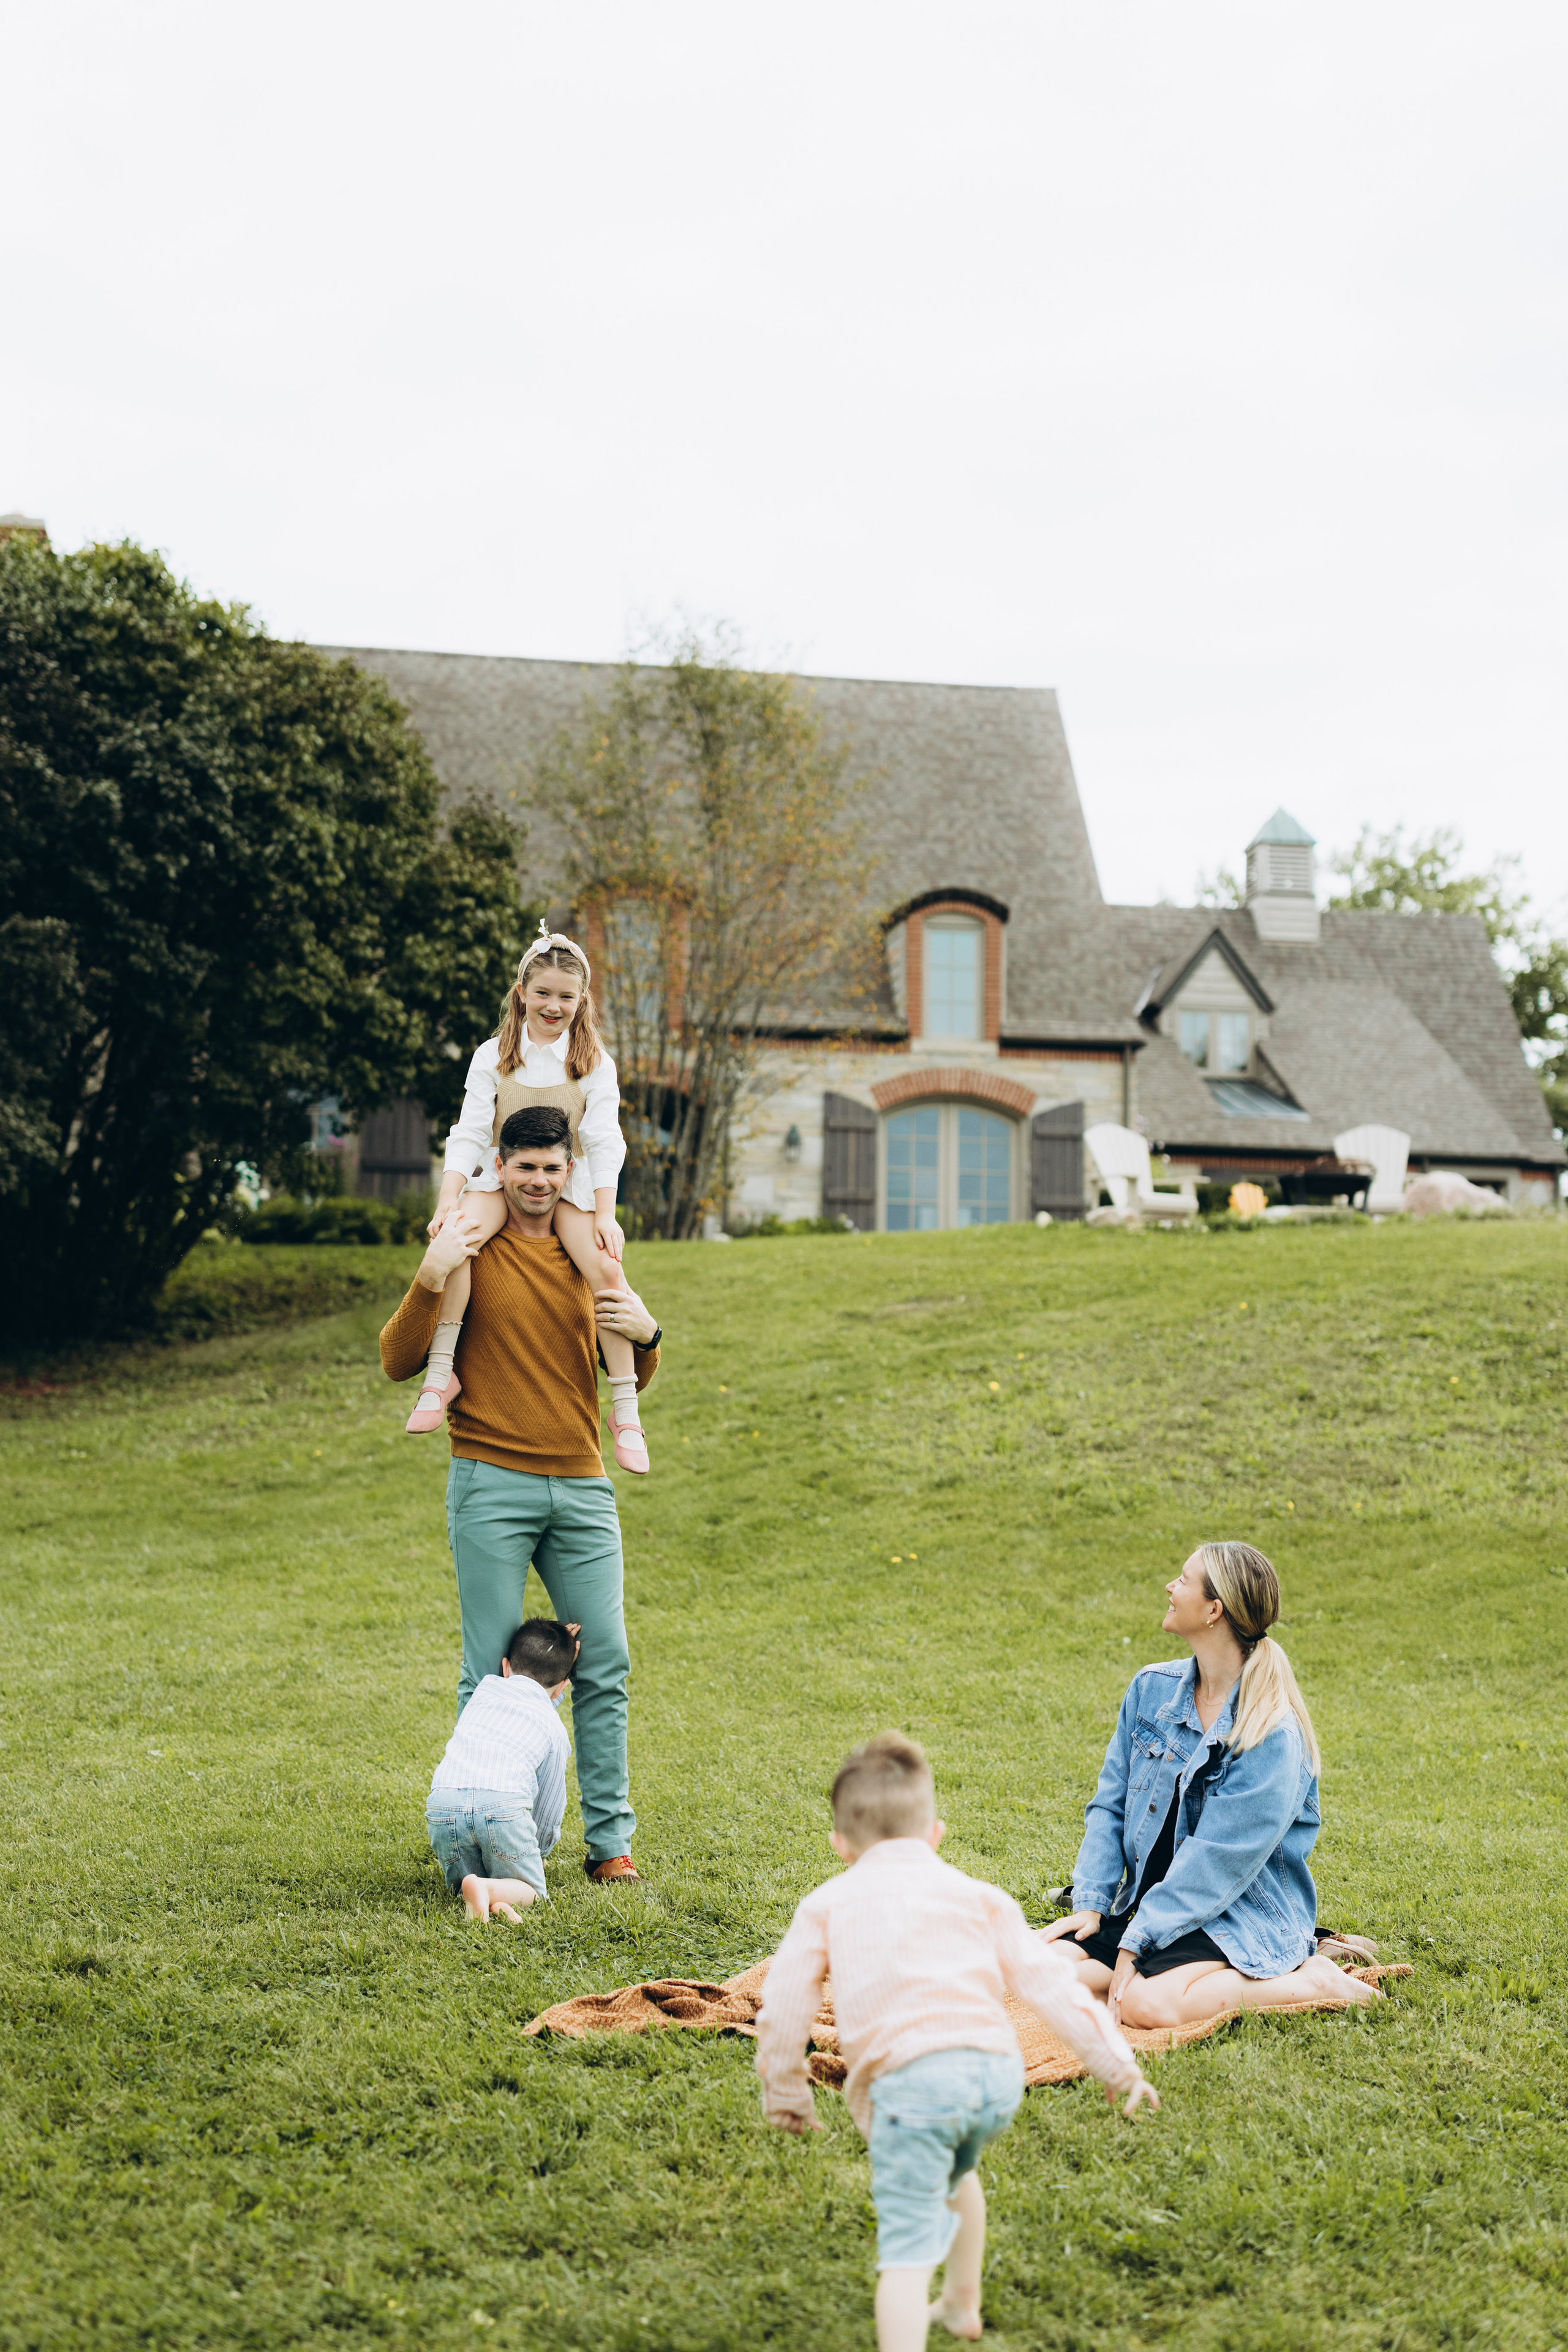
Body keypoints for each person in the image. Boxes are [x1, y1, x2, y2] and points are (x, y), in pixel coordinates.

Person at [756, 1732, 1158, 2352]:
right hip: (994, 2079)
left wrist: (787, 2092)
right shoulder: (981, 1898)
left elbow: (784, 2009)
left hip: (914, 2089)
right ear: (935, 1834)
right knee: (956, 2173)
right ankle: (961, 2303)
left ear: (841, 1845)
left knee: (906, 2250)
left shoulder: (826, 1905)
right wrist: (1114, 2063)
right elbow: (1052, 1987)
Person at [380, 1101, 660, 1885]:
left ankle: (609, 1846)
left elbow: (626, 1368)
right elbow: (397, 1359)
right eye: (525, 1167)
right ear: (499, 1167)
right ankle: (480, 1838)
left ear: (570, 1172)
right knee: (490, 1672)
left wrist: (648, 1334)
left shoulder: (586, 1248)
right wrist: (429, 1275)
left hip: (582, 1485)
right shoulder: (471, 1242)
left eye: (551, 1168)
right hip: (490, 1480)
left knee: (605, 1664)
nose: (538, 1181)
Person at [1041, 1540, 1380, 2027]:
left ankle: (1316, 1980)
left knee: (1145, 2006)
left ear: (1213, 1611)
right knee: (1036, 1971)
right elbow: (1110, 1805)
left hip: (1235, 1911)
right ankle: (1128, 1971)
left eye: (1183, 1580)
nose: (1170, 1587)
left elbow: (1216, 1863)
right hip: (1152, 1903)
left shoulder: (1271, 1733)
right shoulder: (1151, 1688)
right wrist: (1092, 1903)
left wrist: (1136, 1942)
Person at [405, 922, 650, 1474]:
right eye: (542, 993)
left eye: (566, 997)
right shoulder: (492, 1055)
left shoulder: (594, 1061)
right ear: (522, 993)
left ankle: (626, 1408)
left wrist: (606, 1214)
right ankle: (441, 1375)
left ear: (582, 1000)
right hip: (505, 1175)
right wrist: (448, 1200)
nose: (553, 1006)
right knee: (458, 1240)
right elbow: (470, 1131)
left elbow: (604, 1140)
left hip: (570, 1181)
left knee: (607, 1270)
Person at [426, 1616, 581, 1922]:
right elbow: (550, 1807)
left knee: (468, 1882)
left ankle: (483, 1891)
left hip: (444, 1808)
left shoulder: (484, 1690)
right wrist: (539, 1851)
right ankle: (489, 1889)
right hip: (502, 1810)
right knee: (532, 1893)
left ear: (506, 1666)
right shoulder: (555, 1731)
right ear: (563, 1687)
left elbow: (522, 1701)